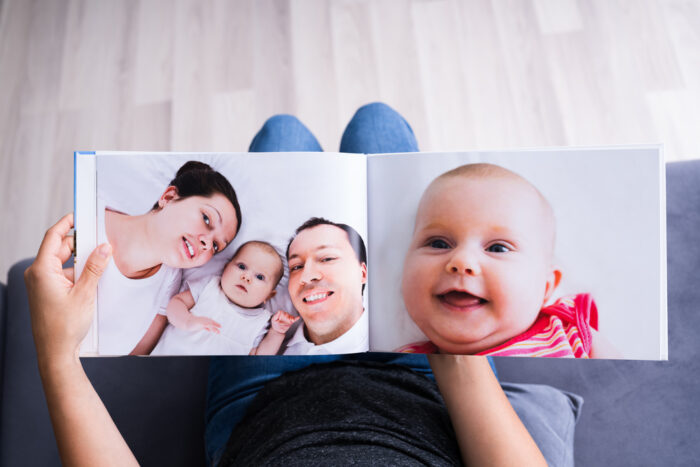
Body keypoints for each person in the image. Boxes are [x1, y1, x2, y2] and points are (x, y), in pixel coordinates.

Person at [27, 104, 578, 466]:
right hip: (424, 379)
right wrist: (451, 333)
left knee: (283, 133)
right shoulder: (406, 311)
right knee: (377, 122)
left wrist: (56, 355)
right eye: (295, 264)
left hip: (262, 396)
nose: (301, 274)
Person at [399, 163, 620, 358]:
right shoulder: (397, 366)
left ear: (546, 288)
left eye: (498, 248)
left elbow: (633, 388)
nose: (462, 260)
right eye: (439, 244)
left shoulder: (570, 335)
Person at [98, 160, 242, 355]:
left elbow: (136, 356)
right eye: (206, 219)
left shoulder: (169, 284)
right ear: (169, 196)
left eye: (216, 246)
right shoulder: (90, 216)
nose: (207, 244)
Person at [152, 240, 298, 355]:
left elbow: (259, 356)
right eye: (241, 266)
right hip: (166, 359)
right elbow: (176, 303)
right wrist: (187, 320)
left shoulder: (261, 322)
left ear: (269, 295)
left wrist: (277, 332)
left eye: (259, 277)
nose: (246, 277)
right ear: (226, 267)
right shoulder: (209, 287)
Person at [282, 217, 368, 355]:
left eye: (327, 258)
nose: (306, 276)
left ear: (362, 273)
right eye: (296, 266)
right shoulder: (269, 351)